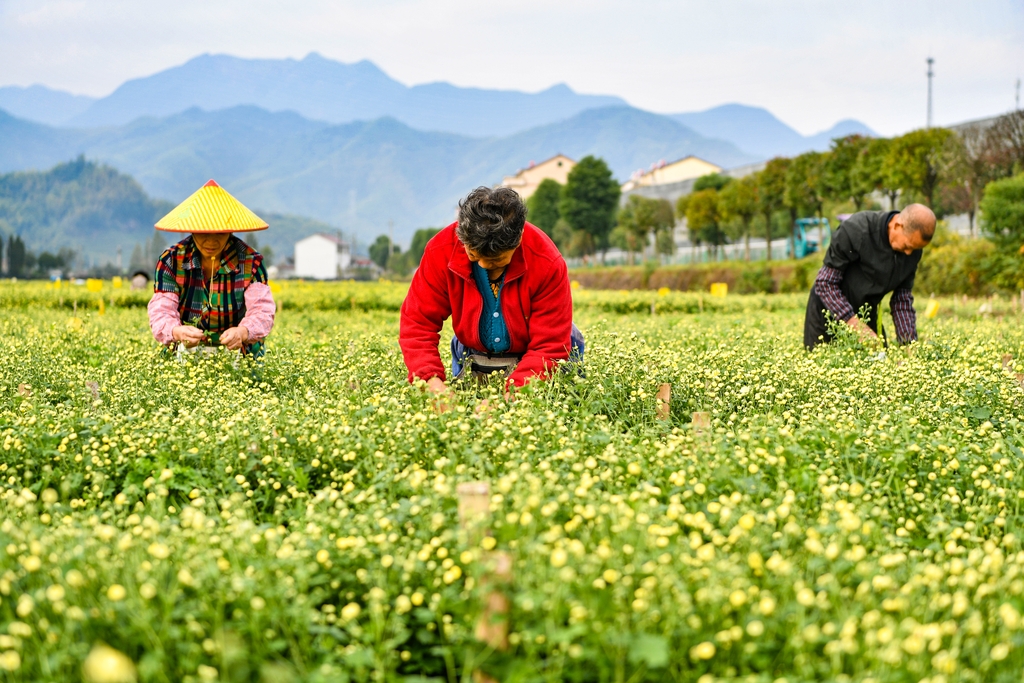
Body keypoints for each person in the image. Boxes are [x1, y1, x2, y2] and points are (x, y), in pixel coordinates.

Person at [400, 186, 582, 394]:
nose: (485, 265)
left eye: (496, 260)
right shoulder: (440, 251)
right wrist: (430, 380)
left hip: (536, 357)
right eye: (474, 255)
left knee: (561, 399)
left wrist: (511, 398)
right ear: (462, 237)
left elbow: (549, 345)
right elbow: (417, 323)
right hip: (472, 351)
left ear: (519, 238)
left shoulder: (546, 262)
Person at [147, 180, 275, 356]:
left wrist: (243, 332)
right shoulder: (171, 261)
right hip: (184, 352)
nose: (212, 241)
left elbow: (262, 310)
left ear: (230, 230)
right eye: (204, 232)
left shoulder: (251, 263)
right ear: (192, 229)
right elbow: (162, 310)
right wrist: (177, 331)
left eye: (220, 233)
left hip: (239, 352)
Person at [804, 203, 935, 350]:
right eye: (907, 246)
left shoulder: (912, 252)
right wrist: (853, 323)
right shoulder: (857, 230)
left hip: (866, 313)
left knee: (879, 363)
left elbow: (901, 300)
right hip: (828, 312)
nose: (909, 253)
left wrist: (907, 346)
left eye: (915, 249)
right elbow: (825, 283)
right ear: (898, 225)